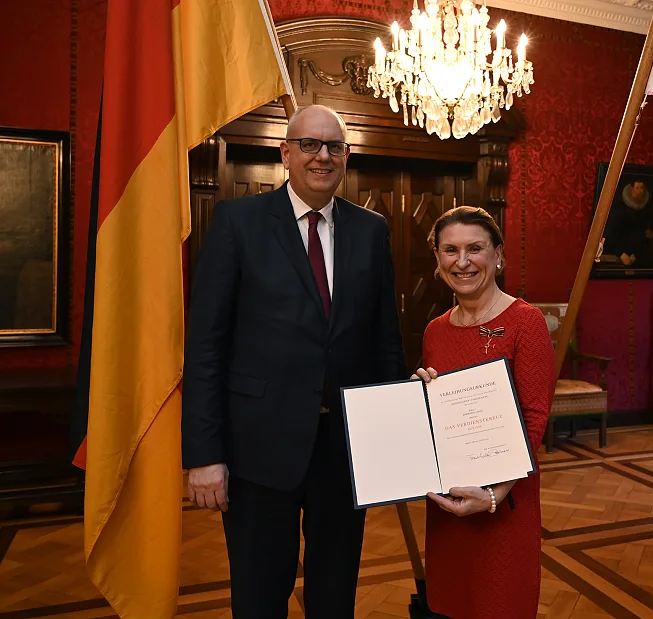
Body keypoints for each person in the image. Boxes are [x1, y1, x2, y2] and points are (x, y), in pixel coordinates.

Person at [181, 104, 406, 618]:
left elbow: (385, 344)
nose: (322, 156)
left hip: (346, 451)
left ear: (346, 157)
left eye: (334, 147)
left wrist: (396, 445)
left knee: (334, 596)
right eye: (310, 144)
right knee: (260, 596)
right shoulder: (239, 222)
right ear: (285, 152)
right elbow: (206, 347)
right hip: (258, 450)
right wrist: (203, 454)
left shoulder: (371, 231)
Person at [412, 206, 556, 618]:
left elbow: (534, 418)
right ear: (438, 260)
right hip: (449, 507)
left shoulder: (525, 322)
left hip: (504, 507)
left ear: (499, 255)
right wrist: (417, 399)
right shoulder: (435, 330)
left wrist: (495, 495)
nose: (462, 261)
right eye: (450, 250)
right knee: (449, 604)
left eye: (475, 248)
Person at [602, 179, 653, 267]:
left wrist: (652, 236)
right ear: (632, 189)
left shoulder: (647, 211)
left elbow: (643, 237)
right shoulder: (619, 209)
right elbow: (609, 235)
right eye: (637, 188)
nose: (640, 191)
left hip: (637, 256)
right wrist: (620, 253)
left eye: (642, 188)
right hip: (618, 256)